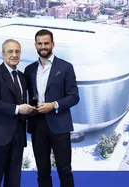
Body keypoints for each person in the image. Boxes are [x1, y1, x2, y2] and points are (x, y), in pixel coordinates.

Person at [24, 29, 80, 187]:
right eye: (40, 43)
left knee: (64, 170)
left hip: (60, 125)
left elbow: (74, 96)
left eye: (46, 43)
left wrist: (53, 105)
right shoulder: (29, 70)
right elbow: (28, 96)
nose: (43, 46)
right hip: (37, 126)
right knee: (42, 171)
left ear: (53, 45)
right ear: (35, 45)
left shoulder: (66, 67)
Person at [0, 39, 35, 187]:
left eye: (17, 51)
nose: (14, 55)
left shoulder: (22, 77)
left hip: (18, 137)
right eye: (10, 51)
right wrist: (18, 109)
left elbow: (23, 103)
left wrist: (33, 110)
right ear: (3, 54)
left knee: (14, 181)